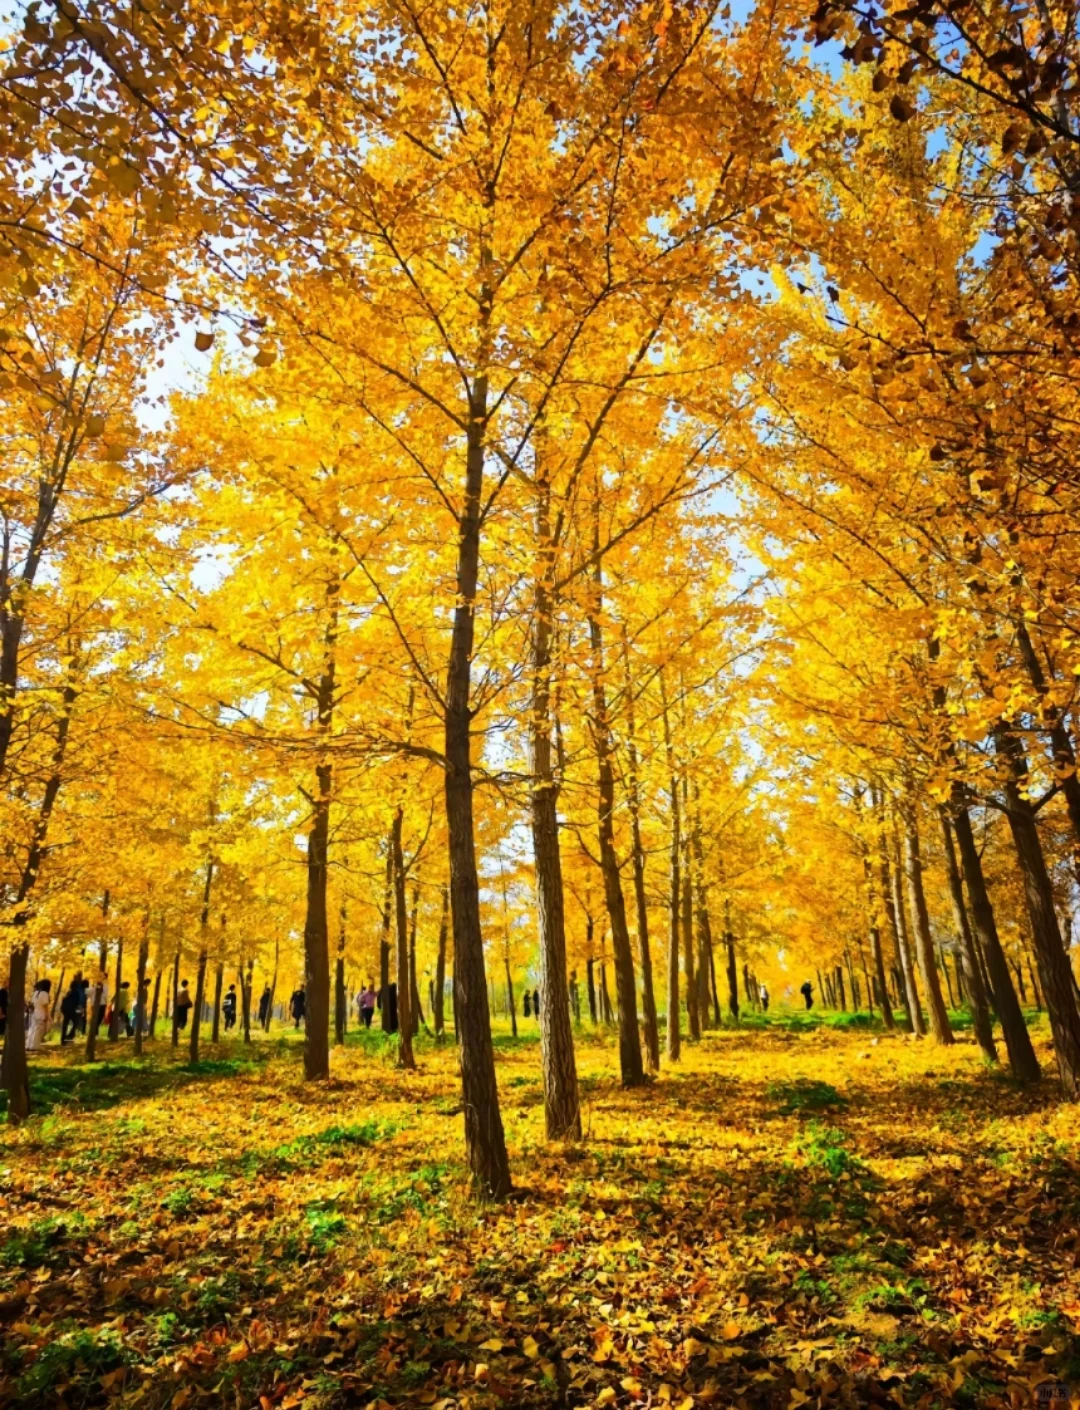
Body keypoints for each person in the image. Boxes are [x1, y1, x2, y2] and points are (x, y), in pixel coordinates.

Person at [26, 978, 52, 1049]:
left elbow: (32, 1004)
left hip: (34, 1013)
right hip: (41, 1014)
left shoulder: (35, 993)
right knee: (39, 1030)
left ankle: (29, 1045)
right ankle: (35, 1046)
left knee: (33, 1029)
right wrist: (47, 1015)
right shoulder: (44, 994)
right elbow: (45, 1005)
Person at [60, 972, 85, 1045]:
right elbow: (79, 1002)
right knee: (76, 1021)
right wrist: (81, 1011)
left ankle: (63, 1040)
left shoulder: (70, 991)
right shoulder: (78, 991)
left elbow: (65, 999)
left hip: (65, 1008)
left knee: (65, 1023)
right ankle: (69, 1036)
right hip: (71, 1008)